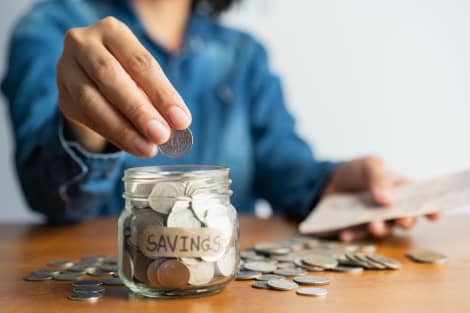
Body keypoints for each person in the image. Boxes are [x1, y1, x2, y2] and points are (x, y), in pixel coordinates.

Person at [1, 0, 440, 241]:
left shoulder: (245, 54)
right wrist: (85, 127)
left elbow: (283, 165)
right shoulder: (53, 29)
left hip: (228, 281)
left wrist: (330, 184)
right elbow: (48, 195)